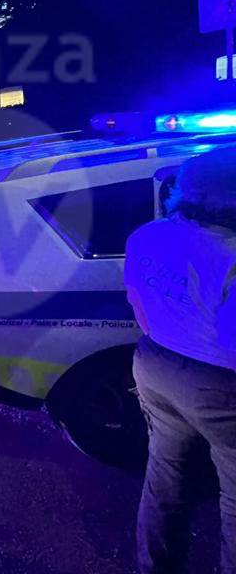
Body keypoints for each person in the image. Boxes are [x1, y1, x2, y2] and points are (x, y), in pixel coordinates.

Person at [124, 146, 236, 574]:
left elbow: (139, 307)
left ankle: (155, 566)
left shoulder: (147, 235)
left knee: (165, 477)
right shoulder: (230, 255)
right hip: (217, 384)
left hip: (154, 365)